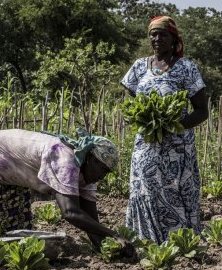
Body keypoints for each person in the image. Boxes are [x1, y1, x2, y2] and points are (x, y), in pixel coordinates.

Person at [121, 15, 209, 244]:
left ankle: (176, 243)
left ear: (173, 39)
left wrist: (173, 125)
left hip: (177, 148)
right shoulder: (140, 67)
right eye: (154, 34)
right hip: (146, 143)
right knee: (144, 187)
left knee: (173, 190)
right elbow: (133, 101)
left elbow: (202, 110)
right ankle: (146, 240)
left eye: (163, 34)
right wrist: (147, 118)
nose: (158, 38)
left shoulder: (186, 68)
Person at [0, 128, 130, 253]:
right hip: (3, 152)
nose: (102, 177)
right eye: (102, 169)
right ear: (91, 159)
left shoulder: (88, 174)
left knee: (16, 229)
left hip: (11, 174)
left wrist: (109, 250)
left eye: (107, 173)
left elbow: (92, 223)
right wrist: (114, 234)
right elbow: (70, 212)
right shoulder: (65, 159)